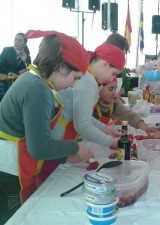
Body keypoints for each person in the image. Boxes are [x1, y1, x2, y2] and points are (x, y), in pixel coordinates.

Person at [0, 30, 94, 225]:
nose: (72, 86)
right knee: (13, 218)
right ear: (60, 66)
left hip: (13, 162)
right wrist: (74, 147)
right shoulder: (38, 89)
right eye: (75, 78)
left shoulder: (35, 82)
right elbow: (39, 147)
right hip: (8, 168)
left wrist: (66, 155)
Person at [52, 43, 125, 148]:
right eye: (113, 73)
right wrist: (112, 142)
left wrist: (105, 129)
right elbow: (83, 126)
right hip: (58, 138)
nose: (110, 79)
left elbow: (84, 116)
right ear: (104, 64)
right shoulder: (88, 82)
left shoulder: (87, 76)